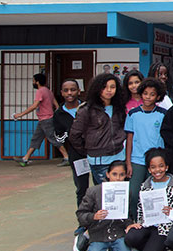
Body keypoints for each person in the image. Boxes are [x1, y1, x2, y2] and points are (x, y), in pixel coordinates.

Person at [124, 148, 173, 251]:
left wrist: (172, 212)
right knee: (130, 237)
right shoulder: (145, 186)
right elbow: (140, 208)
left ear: (166, 167)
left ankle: (160, 246)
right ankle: (152, 245)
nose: (157, 170)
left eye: (161, 166)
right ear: (149, 169)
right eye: (153, 167)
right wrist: (138, 223)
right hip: (148, 224)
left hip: (164, 228)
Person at [75, 160, 134, 251]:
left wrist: (129, 224)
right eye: (114, 174)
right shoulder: (94, 191)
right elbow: (80, 214)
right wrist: (94, 216)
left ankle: (113, 250)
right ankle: (88, 245)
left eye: (122, 175)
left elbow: (127, 214)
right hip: (99, 234)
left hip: (117, 234)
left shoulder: (126, 191)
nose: (118, 178)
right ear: (107, 174)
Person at [70, 73, 127, 184]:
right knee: (106, 196)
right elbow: (74, 135)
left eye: (112, 87)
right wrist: (89, 149)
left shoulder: (119, 107)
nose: (109, 90)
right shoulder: (87, 109)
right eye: (104, 87)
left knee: (120, 195)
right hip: (99, 161)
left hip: (119, 157)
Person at [124, 77, 167, 220]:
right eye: (145, 93)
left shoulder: (162, 114)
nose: (148, 97)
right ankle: (133, 220)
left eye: (152, 94)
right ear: (141, 94)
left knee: (153, 193)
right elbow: (129, 139)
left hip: (156, 161)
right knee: (134, 193)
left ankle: (153, 221)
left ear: (158, 96)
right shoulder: (133, 113)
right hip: (137, 160)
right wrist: (128, 162)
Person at [14, 73, 68, 167]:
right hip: (45, 119)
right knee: (36, 138)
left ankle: (67, 157)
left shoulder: (40, 91)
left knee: (53, 138)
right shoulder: (48, 91)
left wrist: (21, 114)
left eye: (34, 81)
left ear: (37, 82)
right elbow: (56, 104)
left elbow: (35, 106)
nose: (33, 82)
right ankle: (25, 159)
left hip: (45, 119)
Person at [53, 79, 89, 213]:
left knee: (102, 185)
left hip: (96, 152)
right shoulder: (59, 114)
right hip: (77, 155)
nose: (70, 93)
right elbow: (59, 137)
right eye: (66, 90)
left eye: (73, 89)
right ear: (61, 93)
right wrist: (71, 134)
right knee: (81, 187)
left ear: (79, 91)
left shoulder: (87, 107)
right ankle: (84, 219)